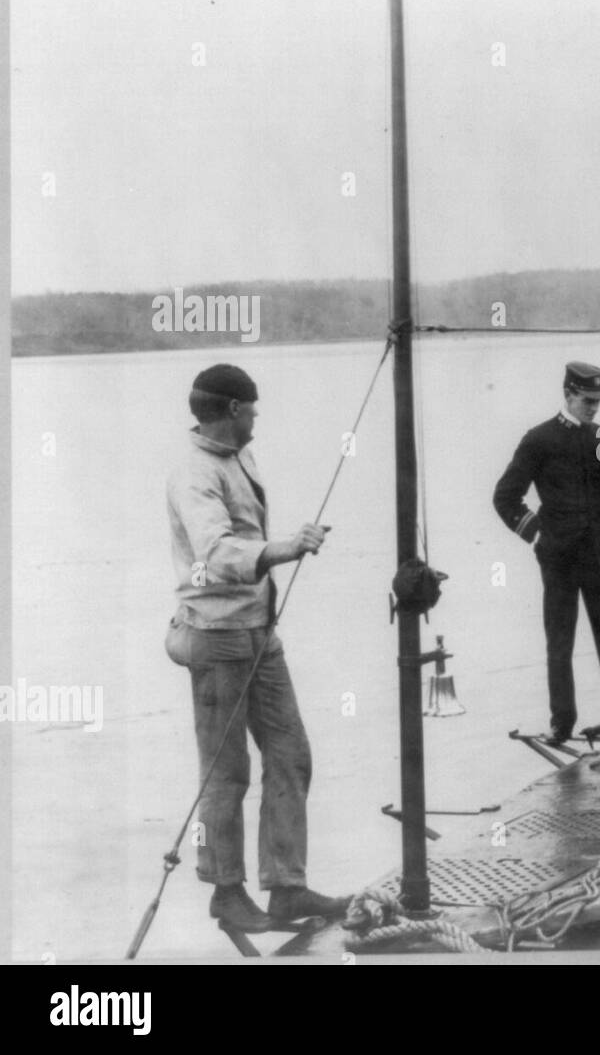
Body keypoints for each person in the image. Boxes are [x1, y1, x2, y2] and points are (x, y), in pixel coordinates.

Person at [164, 363, 350, 935]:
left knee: (291, 754)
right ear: (234, 411)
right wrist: (286, 548)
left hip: (259, 634)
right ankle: (226, 892)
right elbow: (216, 551)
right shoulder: (194, 473)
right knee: (226, 775)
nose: (258, 420)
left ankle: (286, 888)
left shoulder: (236, 456)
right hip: (216, 639)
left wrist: (281, 547)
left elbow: (242, 535)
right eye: (253, 410)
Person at [493, 361, 600, 744]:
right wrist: (536, 534)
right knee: (559, 643)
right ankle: (562, 723)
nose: (594, 408)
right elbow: (505, 496)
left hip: (596, 556)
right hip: (558, 558)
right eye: (587, 400)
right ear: (569, 394)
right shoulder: (538, 439)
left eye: (598, 401)